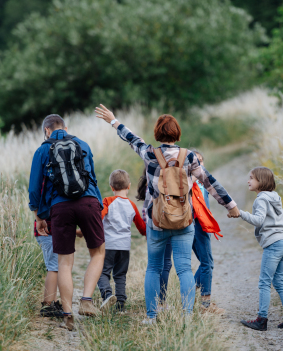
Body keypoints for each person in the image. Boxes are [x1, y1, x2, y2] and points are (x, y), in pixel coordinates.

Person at [95, 104, 240, 323]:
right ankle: (187, 316)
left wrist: (113, 121)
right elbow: (210, 183)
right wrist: (231, 206)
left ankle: (152, 316)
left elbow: (132, 138)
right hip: (184, 221)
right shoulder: (190, 157)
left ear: (157, 133)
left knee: (153, 268)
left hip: (157, 222)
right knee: (184, 269)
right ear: (177, 133)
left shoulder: (150, 154)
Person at [29, 114, 105, 331]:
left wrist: (39, 216)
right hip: (88, 202)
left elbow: (34, 188)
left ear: (46, 130)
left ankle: (67, 312)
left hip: (59, 207)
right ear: (66, 127)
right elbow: (92, 177)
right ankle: (87, 300)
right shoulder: (82, 144)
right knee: (98, 252)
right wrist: (95, 205)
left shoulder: (43, 150)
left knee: (64, 263)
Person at [231, 167, 283, 331]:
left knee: (264, 282)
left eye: (252, 178)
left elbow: (259, 220)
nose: (248, 181)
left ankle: (261, 319)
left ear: (261, 181)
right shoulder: (275, 197)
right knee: (279, 281)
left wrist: (240, 213)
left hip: (273, 245)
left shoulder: (261, 199)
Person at [97, 169, 146, 312]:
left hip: (109, 244)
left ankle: (107, 294)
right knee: (120, 274)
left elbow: (99, 218)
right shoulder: (132, 205)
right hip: (124, 246)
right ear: (129, 186)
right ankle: (120, 304)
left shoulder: (107, 201)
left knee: (102, 272)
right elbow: (142, 229)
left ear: (112, 187)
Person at [189, 150, 224, 315]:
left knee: (206, 262)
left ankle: (190, 293)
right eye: (195, 162)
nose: (199, 165)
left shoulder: (204, 183)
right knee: (207, 263)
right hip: (195, 225)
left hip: (203, 225)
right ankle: (205, 304)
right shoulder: (190, 184)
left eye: (201, 161)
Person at [137, 167, 172, 308]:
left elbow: (145, 210)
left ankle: (154, 304)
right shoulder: (164, 184)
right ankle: (161, 301)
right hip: (166, 225)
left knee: (154, 266)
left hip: (152, 227)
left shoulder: (148, 184)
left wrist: (148, 229)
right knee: (165, 264)